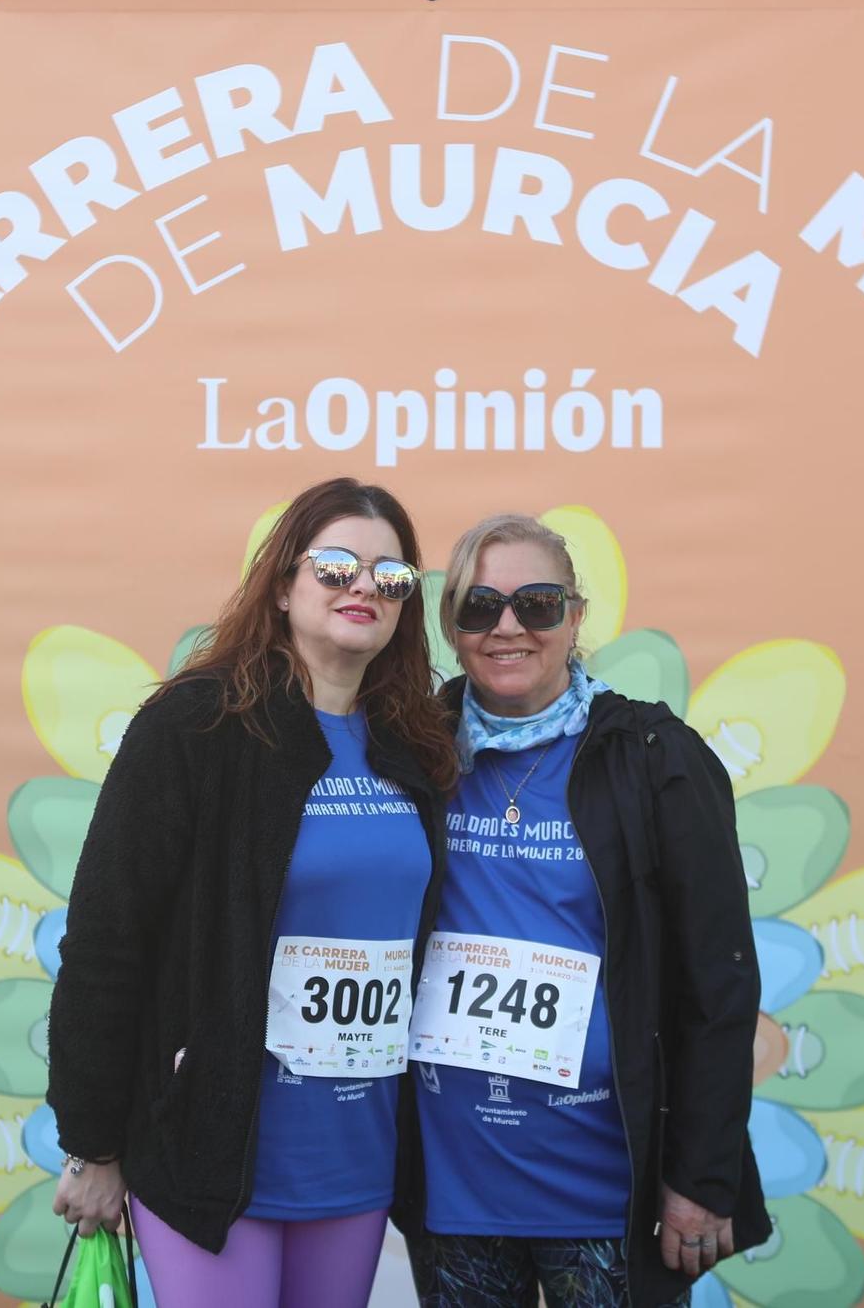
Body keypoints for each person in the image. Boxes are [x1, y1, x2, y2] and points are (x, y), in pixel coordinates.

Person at [46, 476, 460, 1308]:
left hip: (355, 1157)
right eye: (337, 564)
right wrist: (93, 1144)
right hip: (211, 1156)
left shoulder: (415, 747)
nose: (364, 587)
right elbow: (105, 939)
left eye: (392, 576)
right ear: (281, 583)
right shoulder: (194, 727)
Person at [394, 513, 770, 1308]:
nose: (507, 626)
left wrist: (701, 1177)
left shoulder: (656, 759)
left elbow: (718, 982)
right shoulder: (411, 754)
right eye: (479, 606)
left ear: (575, 616)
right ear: (450, 626)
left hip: (606, 1194)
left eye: (536, 603)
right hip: (456, 1186)